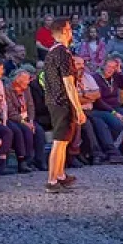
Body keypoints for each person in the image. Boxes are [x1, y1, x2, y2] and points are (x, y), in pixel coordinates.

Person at [42, 17, 83, 193]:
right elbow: (68, 82)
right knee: (59, 142)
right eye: (69, 29)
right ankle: (52, 180)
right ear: (65, 31)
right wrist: (78, 108)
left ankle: (60, 175)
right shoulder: (63, 53)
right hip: (61, 101)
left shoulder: (52, 52)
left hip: (54, 99)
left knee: (64, 140)